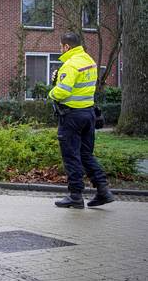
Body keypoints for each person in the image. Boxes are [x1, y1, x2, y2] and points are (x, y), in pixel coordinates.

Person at [49, 32, 114, 208]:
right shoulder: (89, 61)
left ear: (66, 47)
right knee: (86, 154)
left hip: (71, 117)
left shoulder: (70, 65)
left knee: (71, 155)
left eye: (60, 46)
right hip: (89, 114)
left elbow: (62, 91)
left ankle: (75, 196)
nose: (60, 49)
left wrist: (51, 90)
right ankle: (103, 190)